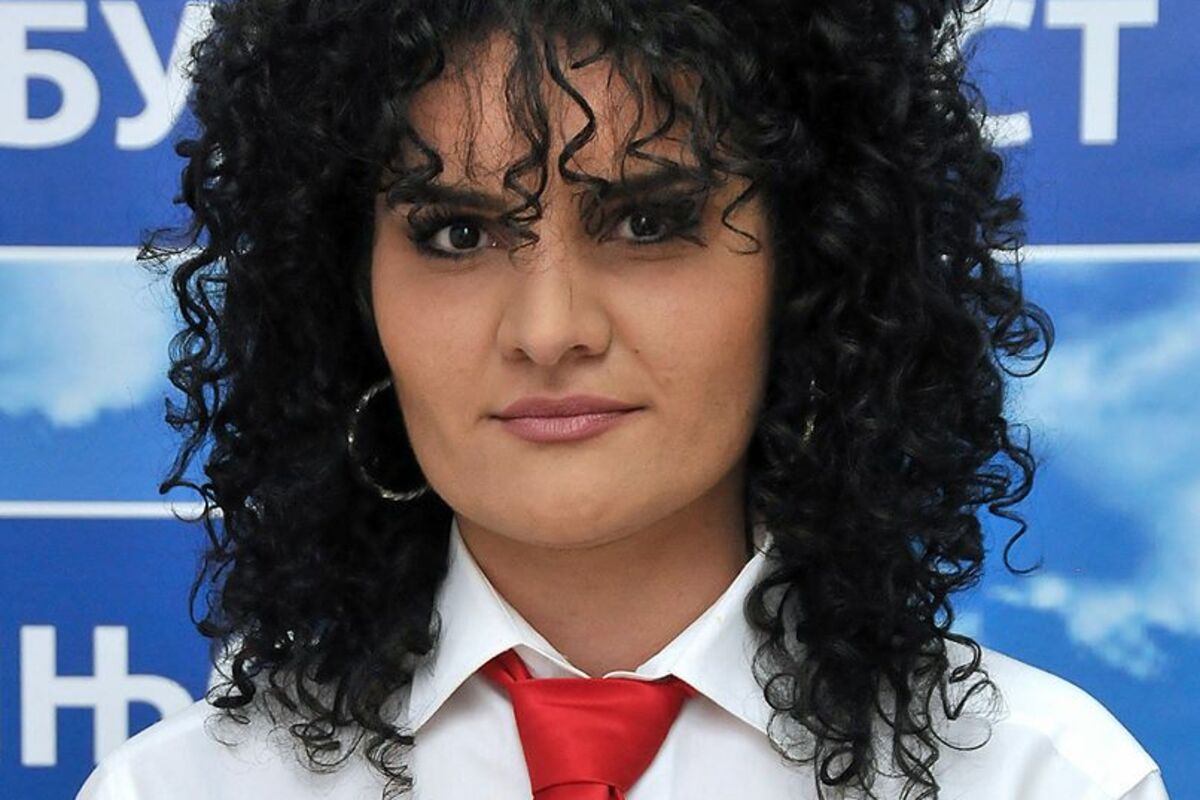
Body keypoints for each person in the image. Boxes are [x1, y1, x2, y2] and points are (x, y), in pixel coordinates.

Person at [76, 0, 1168, 798]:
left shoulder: (1041, 779)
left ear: (813, 270)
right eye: (456, 232)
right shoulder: (180, 790)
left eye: (647, 221)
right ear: (347, 293)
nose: (549, 328)